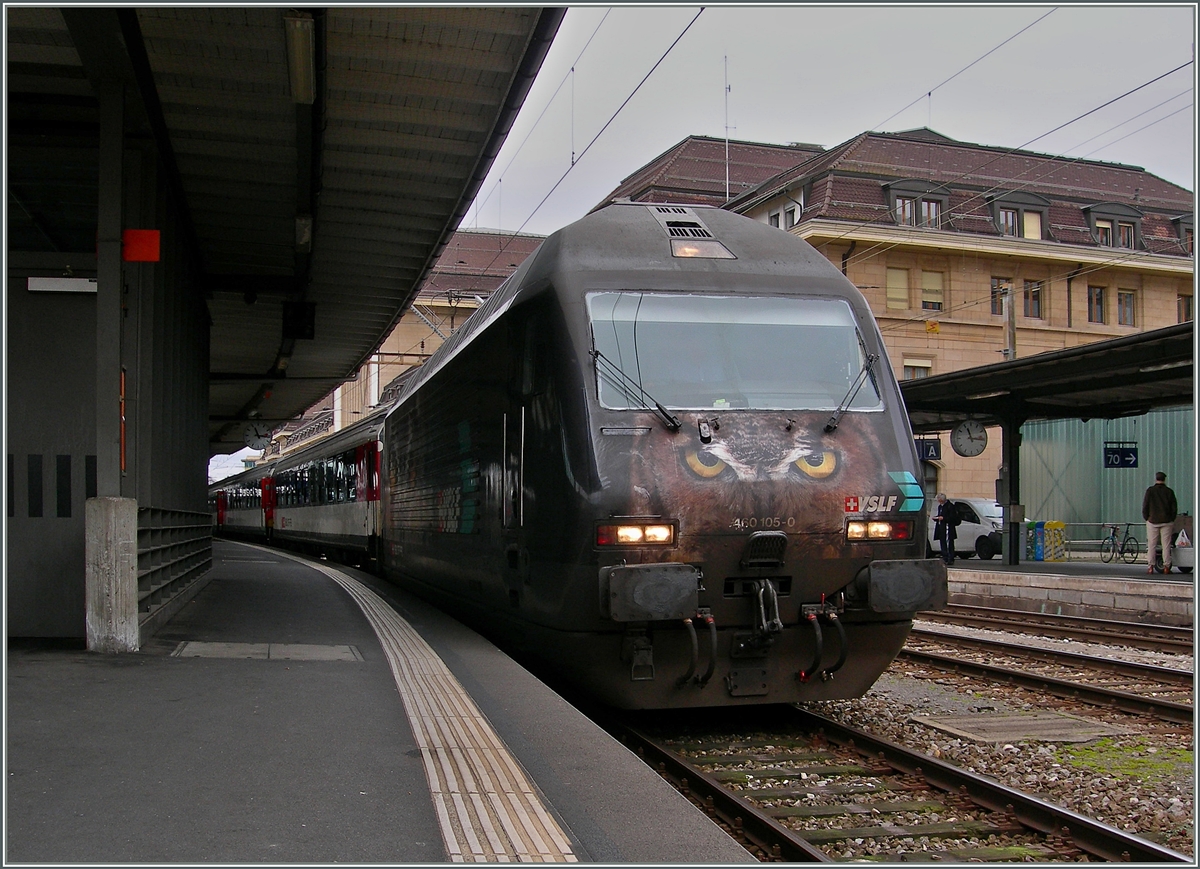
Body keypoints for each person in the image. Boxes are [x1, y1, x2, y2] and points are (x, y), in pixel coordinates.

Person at [1142, 471, 1179, 574]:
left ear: (1156, 479)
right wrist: (1171, 518)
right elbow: (1174, 508)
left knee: (1151, 545)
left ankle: (1150, 566)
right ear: (1164, 479)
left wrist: (1147, 518)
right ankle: (1166, 566)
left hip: (1152, 521)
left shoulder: (1150, 491)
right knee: (1166, 545)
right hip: (1166, 521)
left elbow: (1145, 506)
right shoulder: (1169, 492)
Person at [933, 493, 958, 565]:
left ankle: (950, 558)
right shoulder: (940, 507)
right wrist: (936, 518)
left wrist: (943, 518)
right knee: (942, 542)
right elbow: (940, 515)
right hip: (942, 527)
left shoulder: (950, 506)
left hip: (948, 527)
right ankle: (945, 557)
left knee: (949, 543)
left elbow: (952, 517)